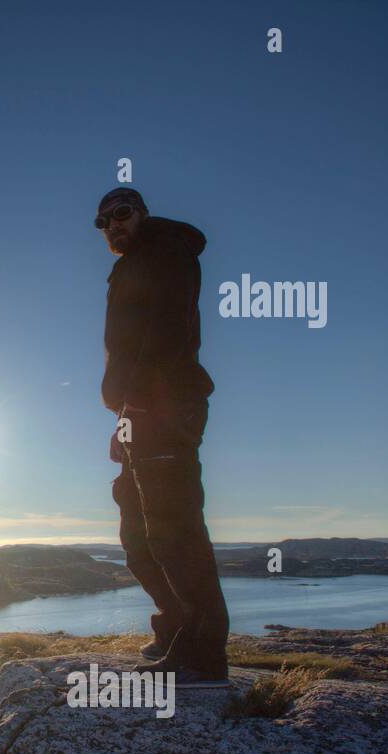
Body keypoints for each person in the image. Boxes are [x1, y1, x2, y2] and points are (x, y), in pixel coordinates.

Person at [96, 187, 230, 687]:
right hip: (138, 411)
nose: (112, 224)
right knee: (136, 530)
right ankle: (176, 626)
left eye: (122, 213)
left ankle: (202, 653)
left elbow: (170, 330)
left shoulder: (167, 253)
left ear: (143, 214)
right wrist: (123, 419)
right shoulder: (132, 264)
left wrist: (141, 403)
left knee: (175, 528)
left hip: (165, 405)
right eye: (103, 221)